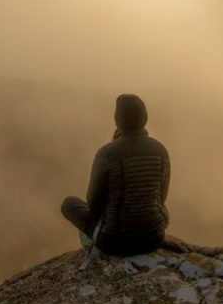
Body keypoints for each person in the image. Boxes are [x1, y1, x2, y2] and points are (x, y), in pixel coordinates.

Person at [61, 94, 171, 256]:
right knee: (156, 203)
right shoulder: (160, 150)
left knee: (69, 204)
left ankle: (92, 246)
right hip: (154, 238)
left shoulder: (107, 154)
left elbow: (94, 204)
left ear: (117, 120)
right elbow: (162, 198)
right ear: (145, 117)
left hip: (114, 242)